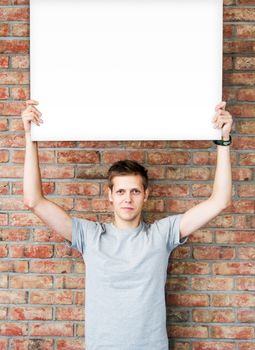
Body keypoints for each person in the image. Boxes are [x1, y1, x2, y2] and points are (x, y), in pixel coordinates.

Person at [21, 100, 233, 350]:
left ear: (146, 195)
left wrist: (223, 141)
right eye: (120, 191)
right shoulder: (90, 236)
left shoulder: (161, 234)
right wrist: (30, 136)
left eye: (134, 191)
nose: (127, 198)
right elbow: (34, 200)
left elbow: (219, 201)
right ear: (110, 196)